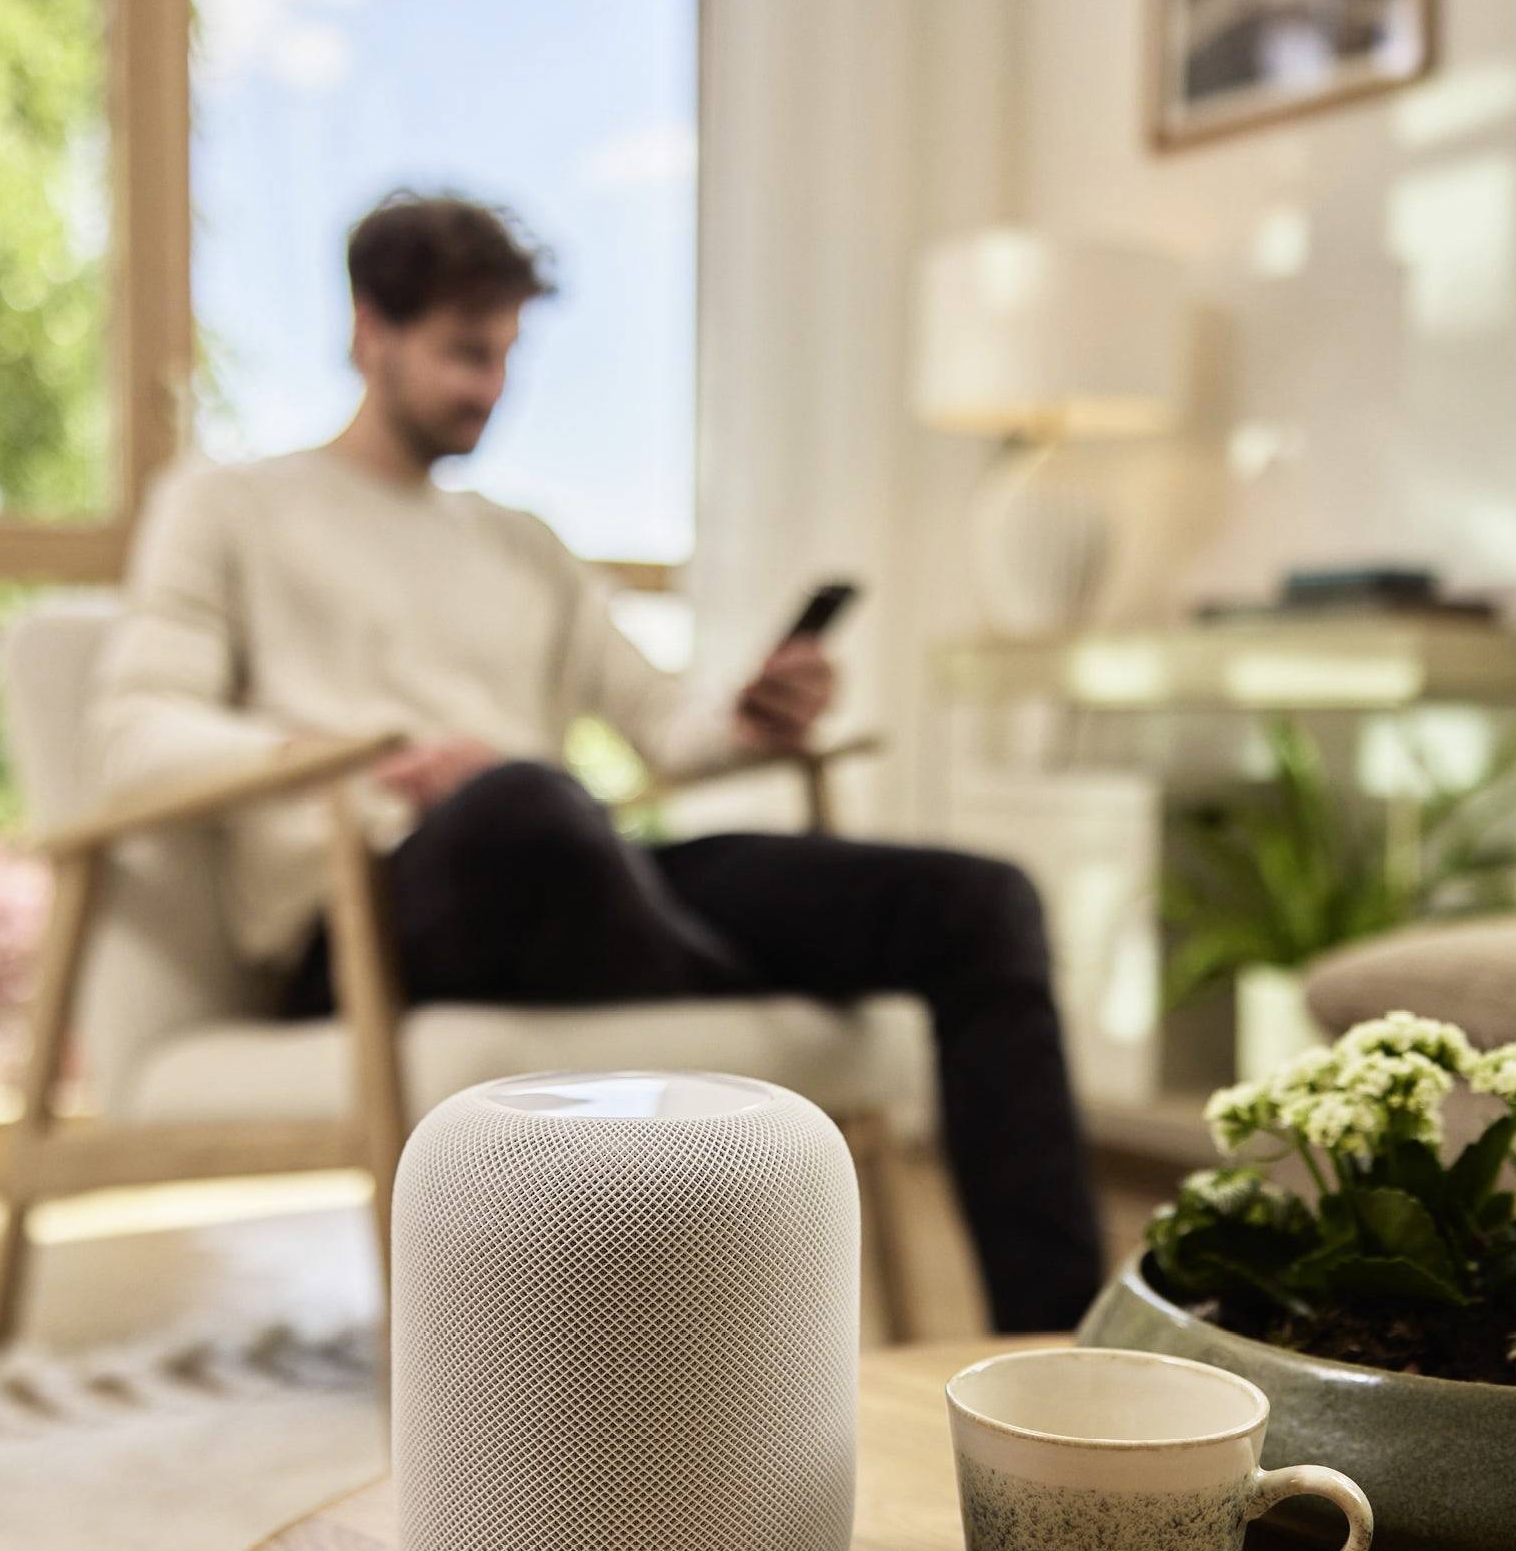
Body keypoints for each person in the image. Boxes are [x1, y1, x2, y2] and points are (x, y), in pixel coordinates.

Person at [89, 191, 1101, 1331]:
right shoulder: (228, 507)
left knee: (980, 902)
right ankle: (743, 968)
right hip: (379, 913)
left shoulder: (521, 545)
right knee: (523, 804)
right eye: (464, 352)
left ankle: (1062, 1347)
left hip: (583, 885)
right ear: (370, 330)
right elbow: (133, 738)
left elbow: (664, 727)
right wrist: (361, 758)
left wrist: (751, 720)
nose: (491, 387)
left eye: (506, 355)